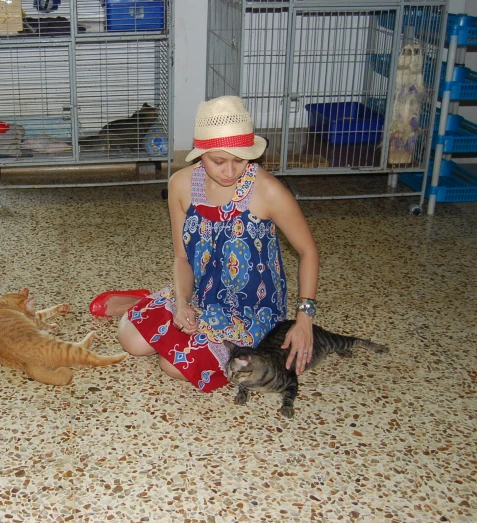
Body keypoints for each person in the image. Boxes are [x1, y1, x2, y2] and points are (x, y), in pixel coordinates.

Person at [90, 96, 319, 392]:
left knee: (172, 365)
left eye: (240, 159)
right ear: (201, 154)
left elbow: (308, 250)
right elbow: (182, 258)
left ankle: (152, 303)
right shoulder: (181, 185)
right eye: (218, 160)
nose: (230, 171)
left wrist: (304, 318)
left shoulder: (269, 192)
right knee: (131, 341)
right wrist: (182, 303)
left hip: (250, 308)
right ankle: (146, 299)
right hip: (200, 294)